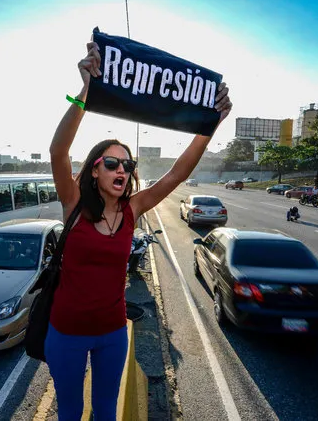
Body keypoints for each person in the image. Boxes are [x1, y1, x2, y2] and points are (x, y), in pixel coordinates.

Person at [46, 39, 232, 420]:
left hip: (113, 334)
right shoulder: (73, 205)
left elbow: (178, 173)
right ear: (94, 169)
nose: (121, 170)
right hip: (65, 333)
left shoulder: (133, 208)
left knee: (105, 414)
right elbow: (58, 153)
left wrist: (209, 124)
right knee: (68, 412)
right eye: (111, 163)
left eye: (127, 166)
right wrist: (84, 92)